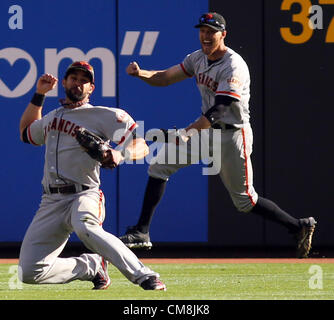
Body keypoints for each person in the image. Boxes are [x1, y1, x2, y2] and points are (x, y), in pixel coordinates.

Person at [119, 12, 317, 258]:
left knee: (244, 201)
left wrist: (189, 132)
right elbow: (165, 77)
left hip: (232, 135)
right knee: (159, 167)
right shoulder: (197, 58)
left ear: (223, 34)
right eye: (202, 30)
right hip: (206, 130)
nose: (205, 36)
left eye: (211, 31)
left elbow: (221, 108)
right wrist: (141, 74)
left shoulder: (234, 65)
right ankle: (141, 232)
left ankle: (299, 226)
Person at [18, 61, 166, 290]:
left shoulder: (104, 115)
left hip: (84, 194)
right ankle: (91, 266)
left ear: (91, 88)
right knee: (29, 271)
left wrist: (119, 154)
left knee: (86, 227)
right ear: (65, 82)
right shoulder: (51, 117)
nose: (78, 83)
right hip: (51, 201)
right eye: (73, 78)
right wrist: (39, 94)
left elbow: (142, 145)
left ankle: (145, 275)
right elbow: (27, 133)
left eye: (84, 80)